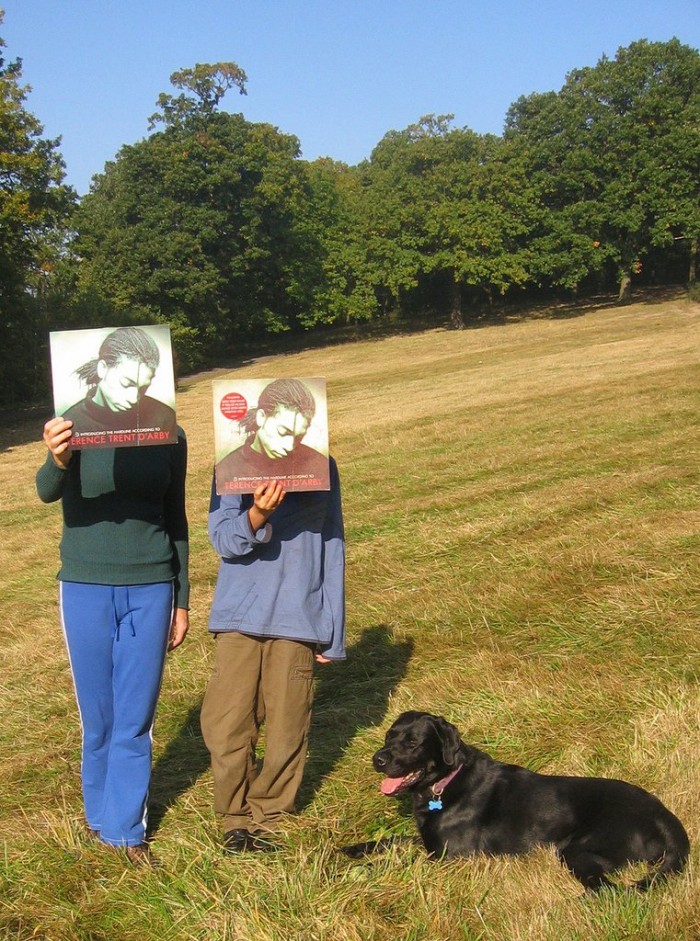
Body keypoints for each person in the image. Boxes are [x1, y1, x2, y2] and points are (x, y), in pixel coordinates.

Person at [35, 401, 189, 866]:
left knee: (134, 715)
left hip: (151, 585)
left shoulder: (170, 432)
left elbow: (175, 515)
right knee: (98, 714)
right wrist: (56, 459)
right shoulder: (72, 424)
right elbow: (46, 491)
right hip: (84, 586)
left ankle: (125, 830)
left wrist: (181, 597)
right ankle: (99, 813)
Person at [200, 453, 345, 852]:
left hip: (298, 618)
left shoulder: (320, 464)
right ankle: (235, 817)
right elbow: (224, 540)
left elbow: (333, 542)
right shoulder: (231, 463)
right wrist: (258, 513)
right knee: (227, 723)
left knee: (288, 725)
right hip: (238, 617)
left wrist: (333, 630)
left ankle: (271, 817)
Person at [215, 378, 329, 493]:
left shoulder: (320, 465)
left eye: (298, 438)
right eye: (283, 432)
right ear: (261, 417)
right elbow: (225, 510)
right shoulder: (227, 469)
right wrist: (256, 512)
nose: (289, 447)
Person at [61, 326, 176, 439]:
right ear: (102, 368)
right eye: (126, 384)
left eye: (143, 388)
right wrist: (60, 457)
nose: (134, 399)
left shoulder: (164, 417)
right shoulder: (68, 424)